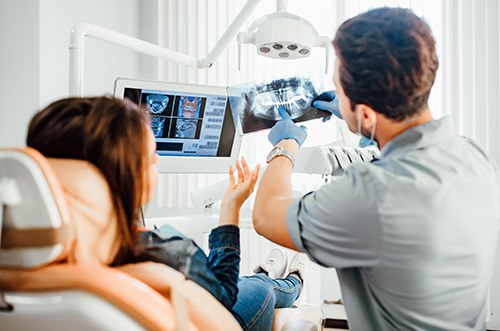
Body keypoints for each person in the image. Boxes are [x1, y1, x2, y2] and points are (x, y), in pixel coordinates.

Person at [253, 7, 500, 331]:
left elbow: (266, 216)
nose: (338, 95)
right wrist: (365, 124)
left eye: (340, 90)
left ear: (368, 113)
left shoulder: (372, 195)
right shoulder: (474, 154)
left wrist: (285, 147)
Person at [26, 96, 310, 331]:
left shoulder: (33, 262)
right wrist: (231, 207)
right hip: (216, 312)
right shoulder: (171, 255)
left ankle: (269, 272)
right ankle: (293, 281)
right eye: (151, 158)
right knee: (259, 287)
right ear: (130, 179)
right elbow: (223, 293)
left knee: (249, 281)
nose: (158, 160)